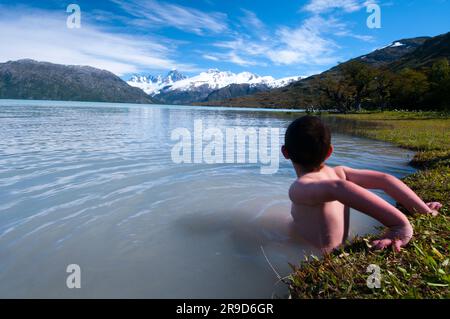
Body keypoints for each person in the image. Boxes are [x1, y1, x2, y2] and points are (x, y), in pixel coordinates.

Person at [282, 116, 442, 253]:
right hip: (337, 241)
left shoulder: (300, 187)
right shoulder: (339, 172)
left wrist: (399, 225)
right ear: (330, 151)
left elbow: (339, 188)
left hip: (319, 253)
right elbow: (384, 179)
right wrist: (422, 209)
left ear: (285, 152)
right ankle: (425, 211)